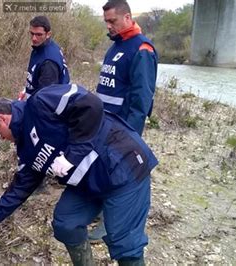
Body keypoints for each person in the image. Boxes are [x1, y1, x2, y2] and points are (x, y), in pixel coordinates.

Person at [0, 84, 158, 265]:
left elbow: (91, 104)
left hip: (124, 167)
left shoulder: (41, 103)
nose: (0, 137)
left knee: (125, 244)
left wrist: (72, 157)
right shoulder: (25, 149)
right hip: (89, 184)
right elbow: (23, 184)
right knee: (66, 223)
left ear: (3, 119)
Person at [89, 0, 158, 243]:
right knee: (102, 169)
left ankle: (110, 224)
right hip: (103, 125)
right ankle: (98, 210)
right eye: (106, 21)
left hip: (122, 130)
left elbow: (141, 99)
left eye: (112, 21)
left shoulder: (142, 49)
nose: (108, 26)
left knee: (118, 174)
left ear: (127, 18)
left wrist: (131, 136)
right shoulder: (116, 46)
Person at [25, 16, 70, 99]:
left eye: (39, 34)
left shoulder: (48, 62)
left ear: (48, 34)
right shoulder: (41, 47)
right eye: (32, 33)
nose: (34, 38)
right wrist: (25, 91)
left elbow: (45, 99)